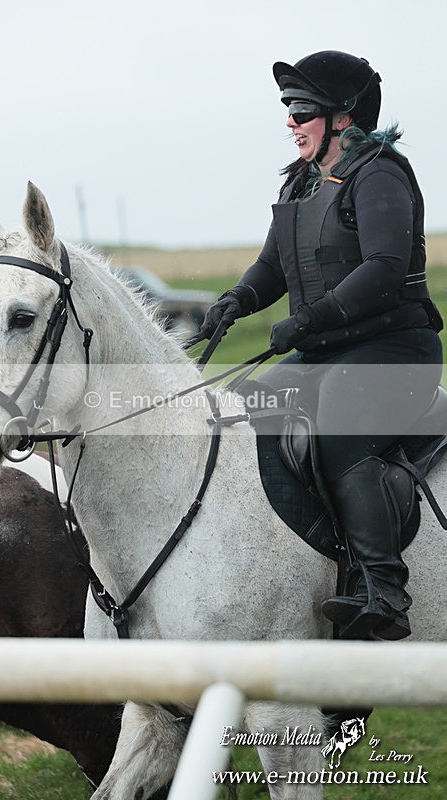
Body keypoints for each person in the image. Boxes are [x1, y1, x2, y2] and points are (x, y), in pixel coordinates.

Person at [200, 50, 444, 641]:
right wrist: (238, 300)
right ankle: (303, 566)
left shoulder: (380, 173)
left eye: (302, 110)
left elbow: (385, 268)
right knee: (246, 404)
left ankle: (383, 592)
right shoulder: (302, 180)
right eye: (288, 110)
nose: (291, 121)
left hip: (395, 353)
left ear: (343, 117)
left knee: (335, 426)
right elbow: (271, 266)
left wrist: (307, 321)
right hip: (330, 352)